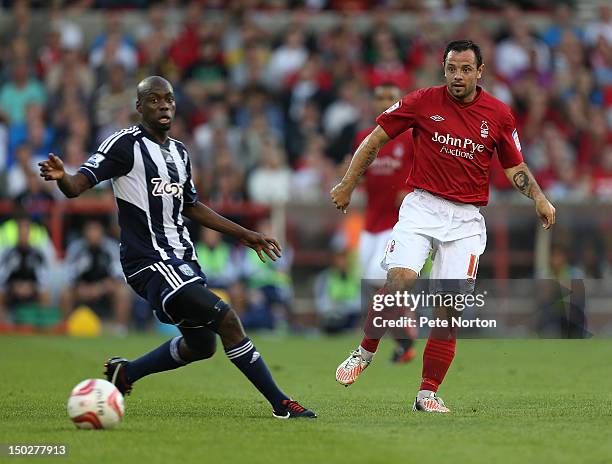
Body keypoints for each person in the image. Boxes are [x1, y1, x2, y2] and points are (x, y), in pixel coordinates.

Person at [39, 76, 316, 419]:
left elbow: (191, 205)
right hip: (149, 261)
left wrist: (244, 233)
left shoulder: (180, 152)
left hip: (182, 258)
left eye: (168, 99)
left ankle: (126, 374)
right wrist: (62, 176)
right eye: (153, 100)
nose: (163, 105)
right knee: (227, 319)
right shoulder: (124, 145)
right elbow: (77, 185)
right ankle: (281, 403)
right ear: (139, 107)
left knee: (202, 346)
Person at [331, 40, 556, 413]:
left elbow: (514, 166)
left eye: (466, 69)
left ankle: (427, 394)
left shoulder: (499, 115)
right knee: (400, 281)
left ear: (479, 72)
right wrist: (347, 183)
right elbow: (374, 140)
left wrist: (539, 198)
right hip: (422, 207)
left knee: (449, 309)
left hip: (466, 220)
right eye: (452, 68)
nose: (457, 76)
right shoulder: (422, 101)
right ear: (444, 69)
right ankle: (364, 352)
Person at [353, 82, 417, 363]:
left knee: (381, 280)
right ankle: (403, 340)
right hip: (370, 224)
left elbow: (423, 174)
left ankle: (407, 332)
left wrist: (410, 190)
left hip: (396, 225)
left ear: (399, 102)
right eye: (379, 97)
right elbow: (360, 173)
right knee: (369, 284)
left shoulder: (412, 138)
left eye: (390, 97)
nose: (384, 102)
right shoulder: (365, 137)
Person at [60, 220, 131, 335]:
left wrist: (100, 288)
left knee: (123, 291)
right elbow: (69, 275)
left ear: (102, 232)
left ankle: (120, 329)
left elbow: (119, 275)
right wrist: (80, 287)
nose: (93, 234)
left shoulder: (111, 248)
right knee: (65, 293)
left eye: (96, 230)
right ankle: (68, 326)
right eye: (90, 230)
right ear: (84, 233)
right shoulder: (76, 248)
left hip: (105, 289)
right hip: (81, 289)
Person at [0, 215, 50, 327]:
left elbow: (43, 277)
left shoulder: (37, 254)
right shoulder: (9, 253)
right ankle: (3, 326)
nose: (24, 234)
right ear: (17, 233)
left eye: (26, 231)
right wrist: (14, 286)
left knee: (45, 293)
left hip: (32, 289)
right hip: (12, 289)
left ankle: (41, 325)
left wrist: (31, 287)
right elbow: (2, 277)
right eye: (21, 231)